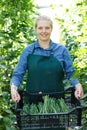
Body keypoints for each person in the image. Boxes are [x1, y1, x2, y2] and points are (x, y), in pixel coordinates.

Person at [10, 15, 83, 103]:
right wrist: (13, 88)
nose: (44, 31)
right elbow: (18, 74)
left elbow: (70, 73)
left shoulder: (61, 50)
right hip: (33, 103)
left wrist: (78, 85)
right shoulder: (28, 51)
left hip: (57, 103)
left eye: (47, 28)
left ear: (51, 29)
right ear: (36, 30)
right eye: (40, 28)